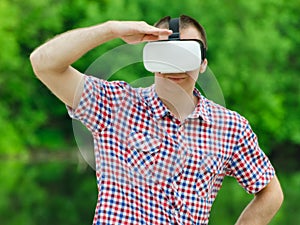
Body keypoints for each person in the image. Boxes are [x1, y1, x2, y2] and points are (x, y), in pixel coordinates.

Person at [30, 15, 283, 225]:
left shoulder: (230, 128)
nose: (175, 68)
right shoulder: (115, 105)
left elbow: (271, 193)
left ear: (203, 63)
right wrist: (112, 30)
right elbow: (44, 64)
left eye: (185, 55)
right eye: (166, 55)